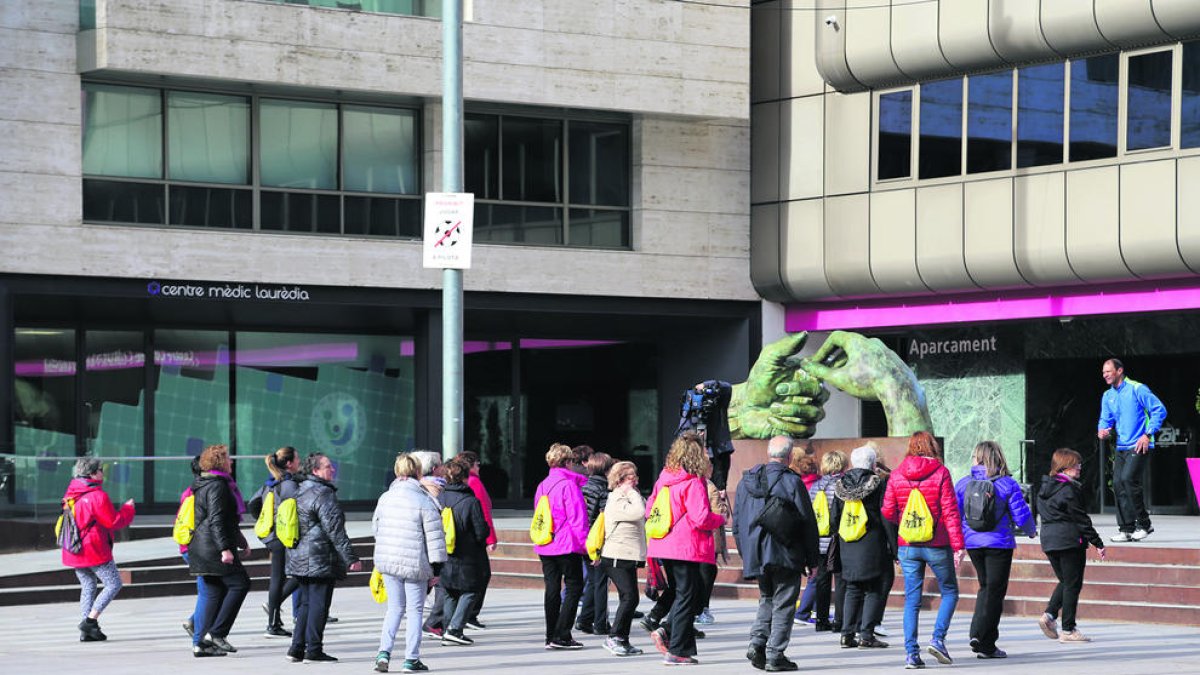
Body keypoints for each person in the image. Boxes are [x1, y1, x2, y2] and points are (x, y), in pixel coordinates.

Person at [732, 435, 819, 671]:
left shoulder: (745, 481)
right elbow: (807, 523)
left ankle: (757, 642)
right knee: (783, 602)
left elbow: (737, 523)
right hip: (785, 551)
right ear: (790, 456)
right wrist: (813, 559)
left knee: (767, 598)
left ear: (769, 453)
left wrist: (745, 552)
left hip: (756, 552)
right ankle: (775, 654)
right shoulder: (792, 481)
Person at [882, 431, 964, 670]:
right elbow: (950, 511)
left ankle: (911, 654)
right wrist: (958, 546)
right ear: (932, 447)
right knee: (949, 591)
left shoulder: (896, 474)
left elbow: (887, 510)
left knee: (912, 599)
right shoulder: (940, 472)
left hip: (908, 545)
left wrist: (906, 522)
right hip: (937, 543)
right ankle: (938, 639)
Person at [645, 431, 725, 666]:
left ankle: (674, 639)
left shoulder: (664, 479)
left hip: (663, 543)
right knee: (688, 596)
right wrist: (720, 519)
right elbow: (701, 518)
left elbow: (651, 509)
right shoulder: (693, 481)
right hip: (686, 546)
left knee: (684, 593)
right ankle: (676, 648)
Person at [954, 441, 1036, 659]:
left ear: (977, 458)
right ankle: (985, 641)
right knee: (995, 591)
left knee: (985, 587)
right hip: (999, 543)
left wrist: (958, 542)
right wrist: (1031, 531)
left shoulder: (963, 484)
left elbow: (955, 514)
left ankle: (978, 634)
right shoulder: (1007, 484)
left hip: (973, 542)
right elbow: (1021, 514)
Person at [373, 452, 448, 673]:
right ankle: (411, 659)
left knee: (394, 609)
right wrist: (437, 568)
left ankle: (383, 652)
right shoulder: (424, 500)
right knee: (415, 611)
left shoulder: (385, 498)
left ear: (397, 472)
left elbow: (376, 529)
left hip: (389, 561)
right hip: (415, 562)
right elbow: (435, 538)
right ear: (417, 472)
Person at [287, 452, 362, 663]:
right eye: (328, 466)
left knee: (306, 605)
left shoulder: (300, 490)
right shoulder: (323, 493)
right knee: (319, 605)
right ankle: (314, 650)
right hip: (319, 557)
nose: (333, 469)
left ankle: (296, 649)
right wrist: (351, 557)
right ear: (315, 471)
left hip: (300, 556)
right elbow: (335, 530)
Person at [61, 456, 135, 642]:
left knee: (88, 585)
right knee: (114, 583)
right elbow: (114, 521)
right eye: (100, 469)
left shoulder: (71, 492)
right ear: (93, 473)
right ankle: (90, 621)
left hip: (74, 547)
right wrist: (128, 509)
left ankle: (88, 631)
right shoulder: (97, 496)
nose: (103, 472)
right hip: (94, 548)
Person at [1037, 448, 1106, 644]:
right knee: (1072, 584)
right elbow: (1081, 519)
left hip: (1050, 541)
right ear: (1064, 467)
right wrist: (1097, 542)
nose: (1079, 468)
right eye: (1076, 464)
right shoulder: (1069, 490)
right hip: (1069, 541)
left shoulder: (1044, 489)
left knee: (1067, 581)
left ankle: (1049, 616)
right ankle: (1068, 629)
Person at [187, 444, 250, 657]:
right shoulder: (218, 486)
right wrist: (225, 548)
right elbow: (216, 520)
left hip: (202, 546)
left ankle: (202, 643)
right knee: (240, 583)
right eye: (228, 459)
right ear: (220, 462)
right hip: (213, 548)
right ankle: (216, 633)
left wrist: (240, 541)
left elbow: (224, 519)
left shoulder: (204, 484)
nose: (231, 462)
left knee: (214, 592)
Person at [1097, 358, 1167, 542]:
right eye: (1103, 372)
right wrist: (1102, 430)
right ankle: (1126, 529)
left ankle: (1144, 524)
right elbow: (1105, 420)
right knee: (1118, 484)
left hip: (1139, 443)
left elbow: (1159, 410)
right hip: (1121, 446)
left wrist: (1148, 434)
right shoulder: (1108, 396)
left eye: (1108, 371)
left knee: (1128, 479)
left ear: (1119, 371)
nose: (1105, 375)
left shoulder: (1137, 389)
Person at [830, 446, 891, 652]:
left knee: (852, 588)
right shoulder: (878, 484)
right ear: (873, 464)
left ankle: (846, 634)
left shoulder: (841, 486)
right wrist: (893, 544)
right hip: (872, 542)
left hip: (848, 542)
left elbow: (834, 518)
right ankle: (866, 634)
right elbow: (885, 516)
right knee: (874, 588)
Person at [532, 442, 589, 650]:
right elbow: (578, 519)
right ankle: (562, 634)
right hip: (566, 544)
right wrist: (586, 547)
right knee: (574, 586)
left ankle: (550, 635)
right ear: (567, 462)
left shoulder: (542, 485)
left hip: (545, 543)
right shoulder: (569, 485)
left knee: (552, 588)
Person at [438, 457, 490, 647]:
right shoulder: (470, 501)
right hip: (467, 554)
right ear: (465, 478)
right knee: (471, 590)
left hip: (445, 553)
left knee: (450, 591)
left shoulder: (440, 498)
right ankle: (455, 629)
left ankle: (448, 629)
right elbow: (480, 531)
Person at [598, 460, 647, 656]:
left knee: (629, 598)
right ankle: (614, 636)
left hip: (627, 555)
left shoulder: (629, 497)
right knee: (630, 598)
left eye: (635, 475)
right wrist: (631, 492)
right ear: (619, 480)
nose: (634, 480)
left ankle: (623, 639)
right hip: (616, 555)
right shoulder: (617, 498)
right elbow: (639, 512)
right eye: (630, 477)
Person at [253, 446, 301, 638]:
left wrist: (265, 520)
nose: (299, 461)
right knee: (298, 574)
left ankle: (274, 621)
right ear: (289, 463)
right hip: (283, 536)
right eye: (297, 459)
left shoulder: (269, 484)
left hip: (272, 536)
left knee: (278, 577)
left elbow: (253, 503)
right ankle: (273, 619)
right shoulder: (290, 485)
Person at [804, 450, 847, 632]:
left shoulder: (815, 486)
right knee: (840, 580)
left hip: (819, 539)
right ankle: (839, 620)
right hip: (836, 539)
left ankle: (821, 620)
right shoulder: (843, 485)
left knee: (822, 580)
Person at [410, 450, 448, 640]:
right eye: (441, 463)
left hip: (423, 546)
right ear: (434, 468)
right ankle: (433, 623)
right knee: (439, 583)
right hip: (431, 546)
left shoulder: (418, 487)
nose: (444, 467)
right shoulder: (435, 489)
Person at [458, 450, 497, 631]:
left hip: (463, 536)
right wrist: (491, 538)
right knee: (482, 574)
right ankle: (470, 615)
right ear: (472, 465)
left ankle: (465, 614)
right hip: (476, 537)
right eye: (478, 463)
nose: (479, 466)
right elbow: (483, 513)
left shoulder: (461, 481)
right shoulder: (475, 482)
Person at [577, 451, 615, 635]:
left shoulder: (582, 487)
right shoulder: (605, 491)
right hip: (598, 540)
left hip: (584, 539)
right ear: (607, 469)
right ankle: (601, 623)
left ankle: (584, 619)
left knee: (592, 581)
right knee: (601, 583)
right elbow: (604, 519)